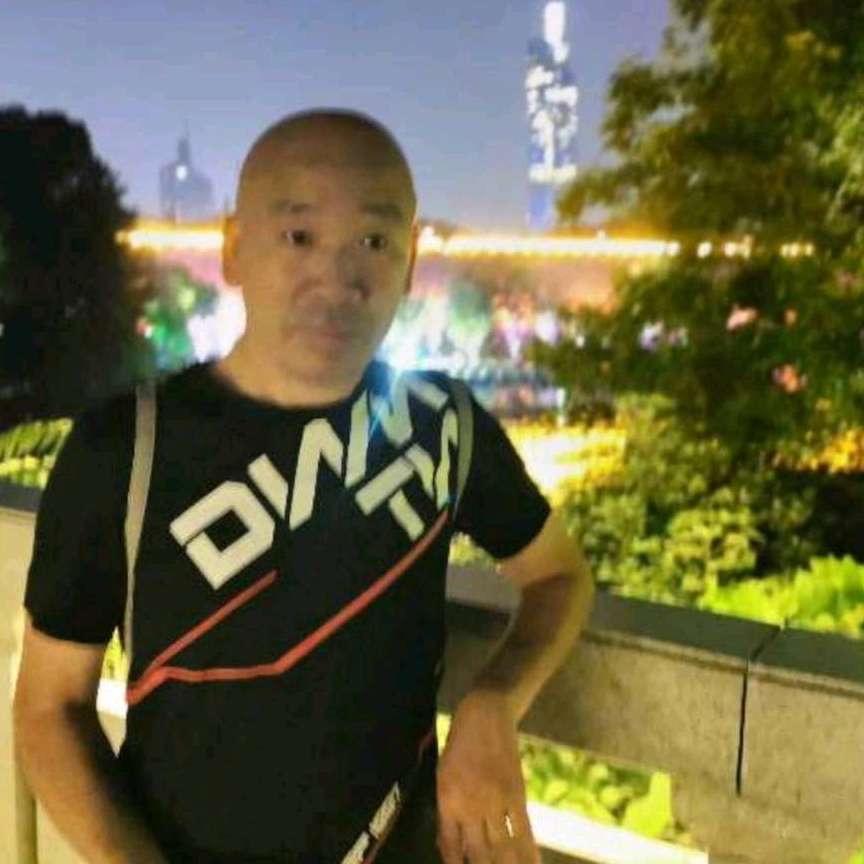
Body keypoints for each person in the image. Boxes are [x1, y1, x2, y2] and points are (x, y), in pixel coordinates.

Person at [13, 110, 595, 864]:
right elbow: (49, 710)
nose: (338, 279)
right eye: (299, 236)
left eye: (374, 242)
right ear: (233, 248)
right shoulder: (125, 449)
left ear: (410, 263)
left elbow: (557, 575)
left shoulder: (441, 425)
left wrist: (493, 704)